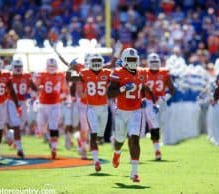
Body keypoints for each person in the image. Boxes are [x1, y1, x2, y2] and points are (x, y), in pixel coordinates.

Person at [107, 48, 152, 182]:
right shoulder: (118, 73)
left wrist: (146, 99)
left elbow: (142, 88)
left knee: (134, 139)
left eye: (134, 59)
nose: (133, 62)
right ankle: (117, 153)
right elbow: (110, 93)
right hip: (121, 111)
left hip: (136, 111)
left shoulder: (142, 73)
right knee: (119, 140)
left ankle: (134, 172)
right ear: (125, 60)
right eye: (130, 60)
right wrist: (123, 88)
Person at [74, 53, 111, 172]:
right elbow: (79, 93)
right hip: (89, 106)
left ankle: (84, 144)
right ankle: (96, 161)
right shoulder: (84, 73)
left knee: (99, 134)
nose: (96, 64)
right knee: (91, 133)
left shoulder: (106, 72)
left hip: (103, 107)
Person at [144, 52, 175, 160]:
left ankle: (159, 142)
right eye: (152, 62)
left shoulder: (164, 72)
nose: (154, 64)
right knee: (154, 126)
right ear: (148, 62)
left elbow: (172, 89)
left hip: (161, 101)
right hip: (149, 102)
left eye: (156, 61)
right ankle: (157, 150)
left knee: (163, 123)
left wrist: (163, 98)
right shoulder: (144, 73)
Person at [35, 57, 67, 159]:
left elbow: (65, 88)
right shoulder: (42, 74)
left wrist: (64, 95)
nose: (52, 68)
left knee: (53, 125)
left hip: (55, 104)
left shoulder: (61, 75)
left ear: (56, 66)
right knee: (41, 128)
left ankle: (54, 148)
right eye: (50, 66)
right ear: (46, 66)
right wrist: (38, 89)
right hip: (43, 104)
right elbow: (35, 86)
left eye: (53, 66)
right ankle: (49, 139)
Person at [7, 58, 37, 158]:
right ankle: (19, 149)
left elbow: (33, 87)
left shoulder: (27, 76)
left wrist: (32, 93)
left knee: (22, 124)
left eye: (20, 67)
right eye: (16, 67)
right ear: (12, 67)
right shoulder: (8, 76)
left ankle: (11, 134)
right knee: (16, 124)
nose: (18, 69)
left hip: (23, 102)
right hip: (11, 102)